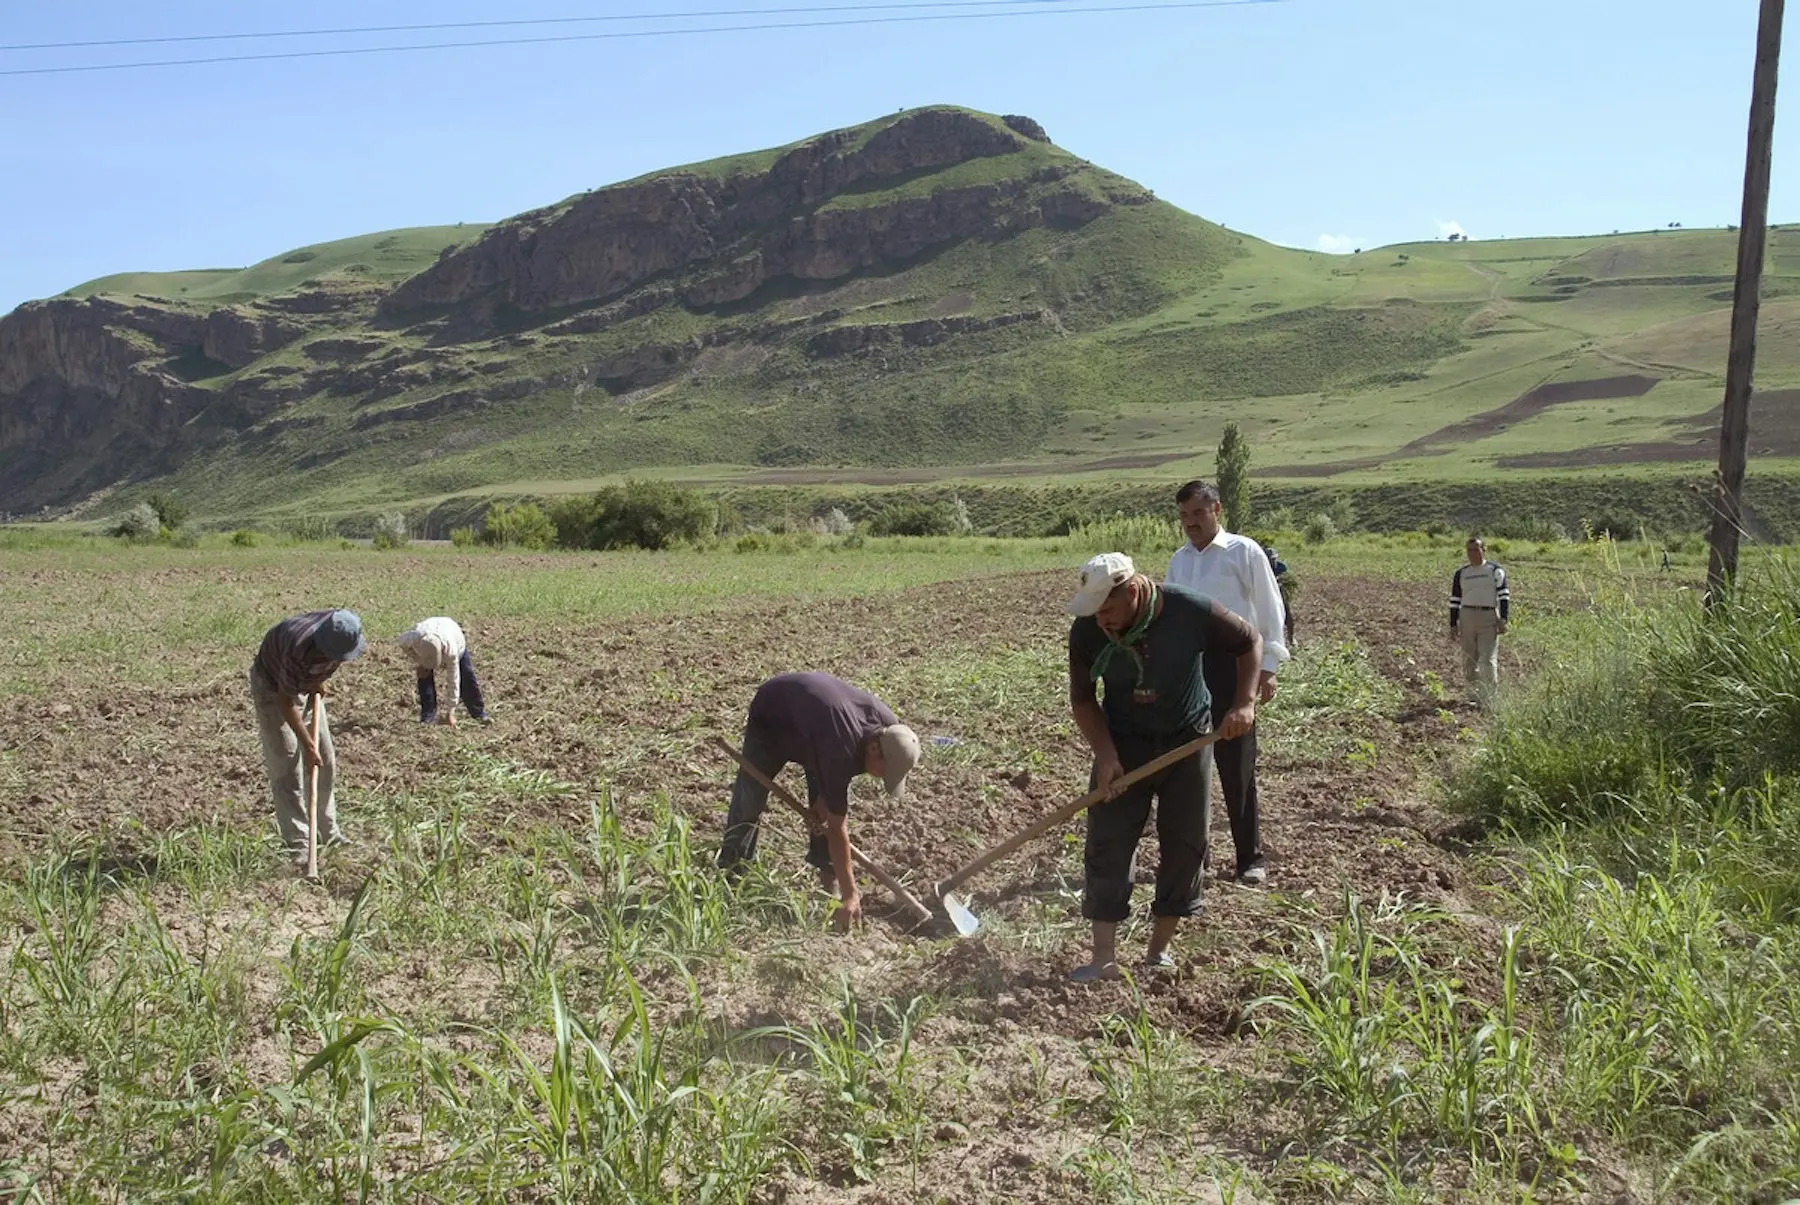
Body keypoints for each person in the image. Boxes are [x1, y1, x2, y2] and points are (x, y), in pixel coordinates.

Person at [1065, 552, 1263, 981]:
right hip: (1122, 744)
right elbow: (1082, 699)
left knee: (1186, 843)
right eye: (1095, 611)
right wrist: (1106, 755)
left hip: (1186, 741)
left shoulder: (1189, 610)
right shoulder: (1087, 629)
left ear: (1134, 591)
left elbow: (1249, 641)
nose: (1101, 620)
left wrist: (1244, 702)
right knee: (1108, 841)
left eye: (1107, 608)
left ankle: (1158, 954)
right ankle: (1103, 959)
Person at [717, 671, 922, 927]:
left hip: (817, 727)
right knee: (751, 797)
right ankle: (731, 873)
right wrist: (851, 894)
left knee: (826, 808)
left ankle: (828, 885)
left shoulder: (891, 732)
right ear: (873, 749)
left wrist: (824, 800)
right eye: (885, 772)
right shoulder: (840, 748)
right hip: (774, 713)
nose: (883, 778)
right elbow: (837, 828)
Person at [1165, 480, 1290, 887]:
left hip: (1236, 668)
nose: (1191, 523)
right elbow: (1171, 618)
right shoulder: (1179, 561)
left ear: (1217, 510)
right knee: (1189, 770)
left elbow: (1270, 611)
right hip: (1191, 674)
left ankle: (1249, 859)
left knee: (1237, 769)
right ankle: (1195, 858)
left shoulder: (1244, 551)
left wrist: (1267, 669)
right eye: (1184, 516)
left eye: (1198, 513)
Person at [248, 609, 365, 868]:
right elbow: (285, 702)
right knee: (287, 766)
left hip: (299, 685)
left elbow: (330, 664)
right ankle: (299, 843)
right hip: (272, 690)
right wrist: (308, 745)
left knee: (326, 760)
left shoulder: (341, 633)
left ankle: (328, 831)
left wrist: (316, 681)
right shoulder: (297, 648)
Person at [1450, 536, 1510, 706]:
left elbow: (1504, 595)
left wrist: (1504, 618)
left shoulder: (1495, 570)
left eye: (1476, 550)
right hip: (1467, 616)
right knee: (1469, 658)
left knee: (1488, 659)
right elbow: (1455, 599)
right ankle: (1473, 696)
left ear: (1484, 550)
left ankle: (1489, 697)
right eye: (1469, 550)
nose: (1472, 554)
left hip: (1488, 616)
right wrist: (1453, 624)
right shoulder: (1461, 573)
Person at [396, 616, 489, 726]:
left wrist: (450, 712)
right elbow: (402, 643)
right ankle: (427, 717)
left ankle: (478, 713)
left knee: (466, 676)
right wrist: (419, 660)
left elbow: (453, 681)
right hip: (430, 631)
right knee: (424, 676)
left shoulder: (452, 651)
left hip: (454, 637)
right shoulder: (414, 637)